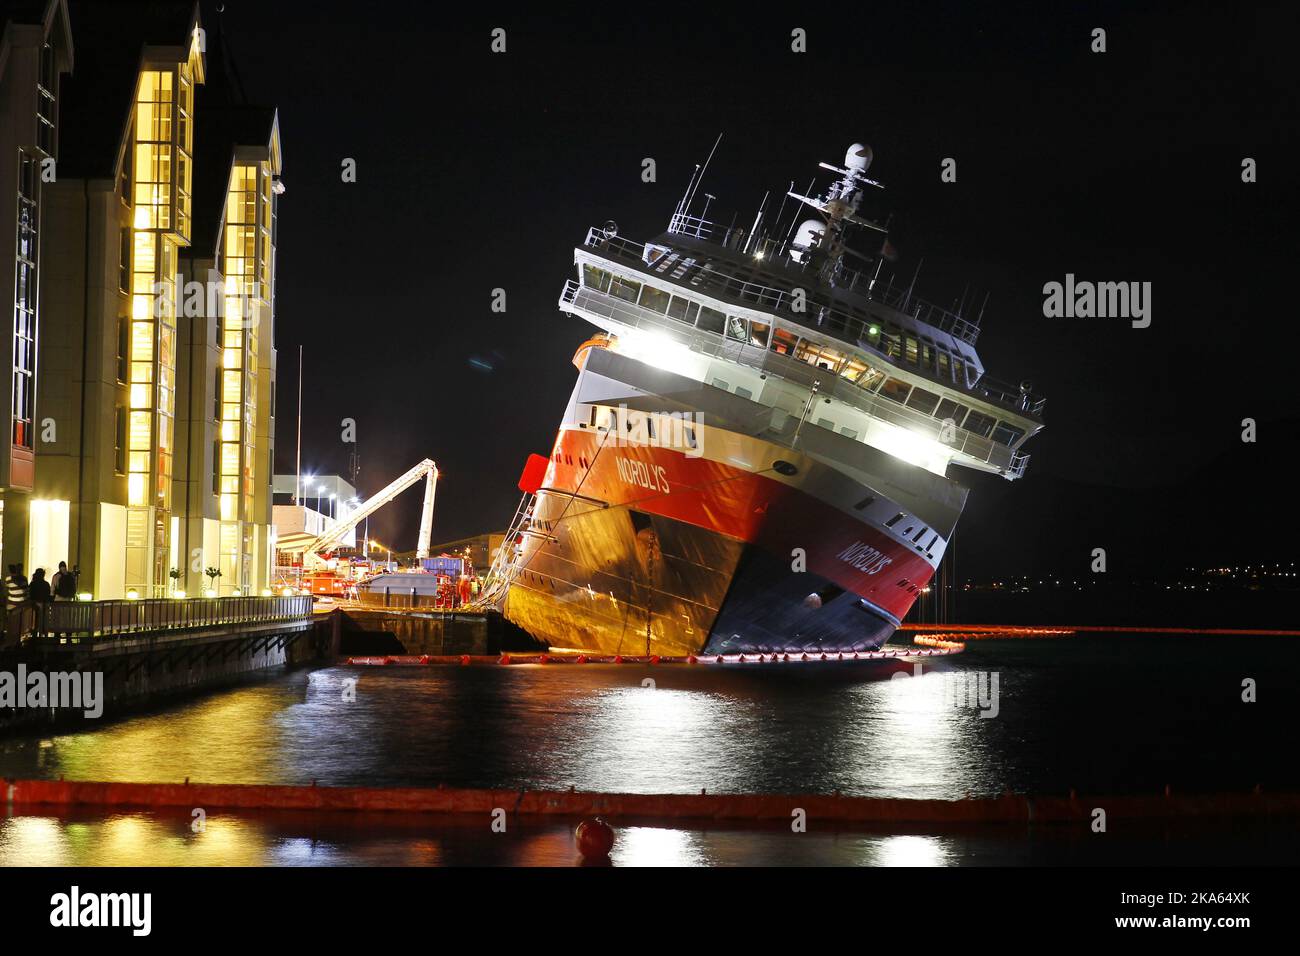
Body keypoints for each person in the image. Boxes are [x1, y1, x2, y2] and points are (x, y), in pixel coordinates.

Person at [28, 568, 52, 640]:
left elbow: (31, 595)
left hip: (35, 605)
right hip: (45, 605)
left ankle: (35, 633)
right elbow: (48, 595)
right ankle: (43, 633)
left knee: (35, 620)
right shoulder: (46, 584)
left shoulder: (33, 584)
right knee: (44, 618)